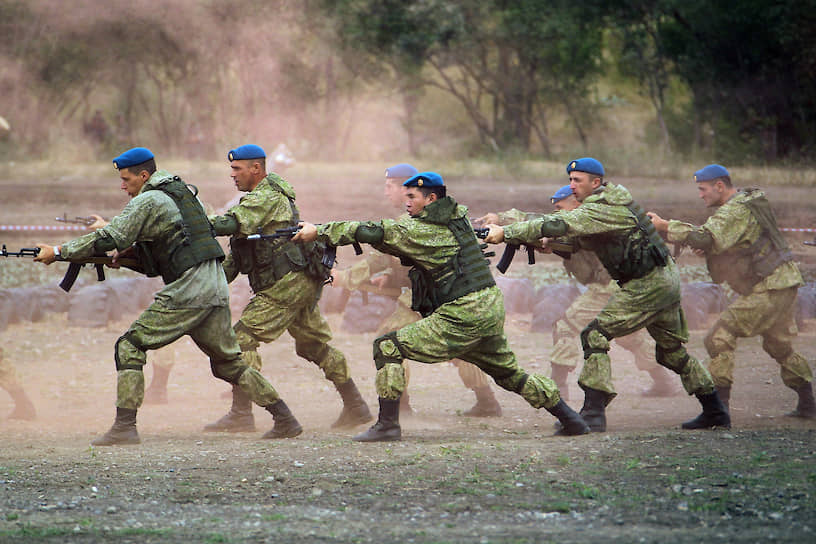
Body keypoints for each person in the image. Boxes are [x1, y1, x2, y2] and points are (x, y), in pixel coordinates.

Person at [294, 171, 590, 441]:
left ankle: (387, 425)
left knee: (388, 345)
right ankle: (571, 419)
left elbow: (374, 231)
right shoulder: (457, 219)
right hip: (486, 304)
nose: (407, 202)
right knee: (510, 374)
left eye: (413, 197)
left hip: (464, 310)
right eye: (406, 195)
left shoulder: (423, 229)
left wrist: (318, 231)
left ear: (431, 199)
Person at [34, 147, 302, 445]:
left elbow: (110, 237)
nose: (122, 186)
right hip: (213, 284)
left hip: (189, 288)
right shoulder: (185, 193)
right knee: (229, 364)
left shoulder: (149, 200)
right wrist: (131, 256)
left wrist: (58, 252)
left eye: (126, 179)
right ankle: (285, 418)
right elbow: (172, 245)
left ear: (144, 175)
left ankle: (124, 427)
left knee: (130, 346)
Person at [482, 158, 730, 432]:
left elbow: (560, 223)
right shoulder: (604, 205)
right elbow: (573, 234)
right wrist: (546, 242)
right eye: (570, 180)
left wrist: (506, 230)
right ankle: (715, 409)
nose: (572, 185)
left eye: (578, 180)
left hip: (647, 282)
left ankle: (593, 413)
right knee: (670, 353)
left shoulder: (605, 208)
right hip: (660, 279)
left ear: (596, 183)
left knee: (594, 333)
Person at [204, 144, 372, 433]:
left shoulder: (266, 196)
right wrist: (205, 283)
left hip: (287, 283)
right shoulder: (257, 201)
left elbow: (229, 224)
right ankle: (356, 405)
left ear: (255, 168)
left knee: (240, 340)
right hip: (295, 281)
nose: (231, 175)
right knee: (311, 345)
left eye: (236, 168)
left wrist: (193, 225)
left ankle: (245, 413)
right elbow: (238, 257)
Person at [476, 185, 679, 400]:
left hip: (610, 285)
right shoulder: (578, 221)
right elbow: (553, 230)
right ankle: (664, 381)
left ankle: (558, 390)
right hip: (616, 285)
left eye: (560, 207)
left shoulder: (589, 219)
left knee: (567, 326)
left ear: (576, 202)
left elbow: (544, 222)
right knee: (629, 337)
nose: (557, 213)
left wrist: (503, 220)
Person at [332, 163, 502, 416]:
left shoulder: (409, 223)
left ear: (405, 189)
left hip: (428, 299)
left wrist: (343, 278)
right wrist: (390, 277)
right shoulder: (435, 217)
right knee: (461, 348)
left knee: (388, 339)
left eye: (389, 186)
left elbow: (377, 259)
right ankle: (487, 401)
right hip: (446, 296)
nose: (386, 192)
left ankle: (398, 407)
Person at [647, 164, 814, 418]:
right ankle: (808, 404)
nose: (700, 195)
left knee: (718, 336)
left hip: (770, 286)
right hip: (783, 283)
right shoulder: (746, 204)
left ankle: (718, 410)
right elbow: (738, 243)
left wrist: (664, 226)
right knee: (779, 345)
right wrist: (710, 248)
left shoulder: (734, 210)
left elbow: (705, 237)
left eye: (703, 189)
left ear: (719, 186)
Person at [0, 347, 36, 420]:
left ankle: (29, 413)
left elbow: (4, 370)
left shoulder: (6, 362)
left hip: (14, 385)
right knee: (18, 399)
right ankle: (21, 412)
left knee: (21, 398)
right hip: (11, 386)